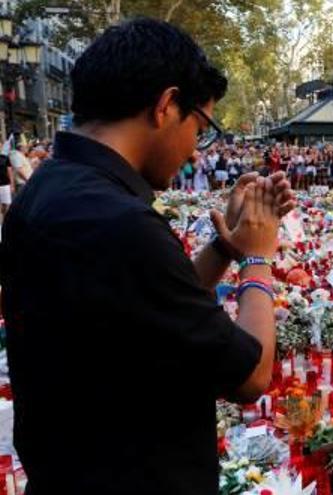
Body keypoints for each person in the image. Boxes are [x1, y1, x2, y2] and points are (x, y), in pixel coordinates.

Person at [0, 19, 295, 494]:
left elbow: (145, 309)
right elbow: (250, 375)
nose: (197, 151)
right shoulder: (117, 221)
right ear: (165, 106)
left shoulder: (52, 189)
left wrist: (225, 246)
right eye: (201, 126)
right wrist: (257, 257)